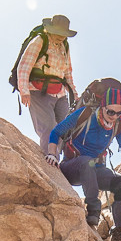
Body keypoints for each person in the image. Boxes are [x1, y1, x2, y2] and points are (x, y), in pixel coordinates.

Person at [45, 78, 121, 241]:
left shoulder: (119, 125)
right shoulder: (85, 114)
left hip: (94, 169)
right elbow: (56, 132)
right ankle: (93, 211)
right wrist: (51, 153)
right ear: (102, 106)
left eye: (119, 113)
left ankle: (119, 234)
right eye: (111, 112)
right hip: (72, 167)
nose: (114, 117)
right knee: (87, 163)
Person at [16, 15, 78, 147]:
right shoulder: (40, 41)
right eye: (58, 33)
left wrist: (74, 94)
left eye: (64, 34)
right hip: (38, 91)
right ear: (50, 29)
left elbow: (67, 73)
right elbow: (24, 65)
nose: (61, 37)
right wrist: (24, 90)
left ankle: (56, 160)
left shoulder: (65, 46)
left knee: (66, 128)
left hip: (60, 93)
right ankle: (49, 161)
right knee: (48, 128)